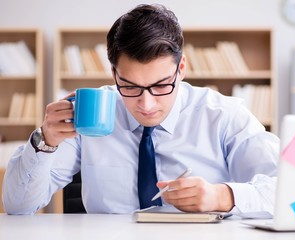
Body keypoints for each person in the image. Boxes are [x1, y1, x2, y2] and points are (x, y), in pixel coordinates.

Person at [2, 4, 279, 215]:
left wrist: (225, 197)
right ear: (113, 73)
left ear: (181, 69)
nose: (146, 105)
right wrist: (45, 142)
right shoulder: (92, 112)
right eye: (130, 86)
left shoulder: (224, 115)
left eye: (160, 86)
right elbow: (17, 208)